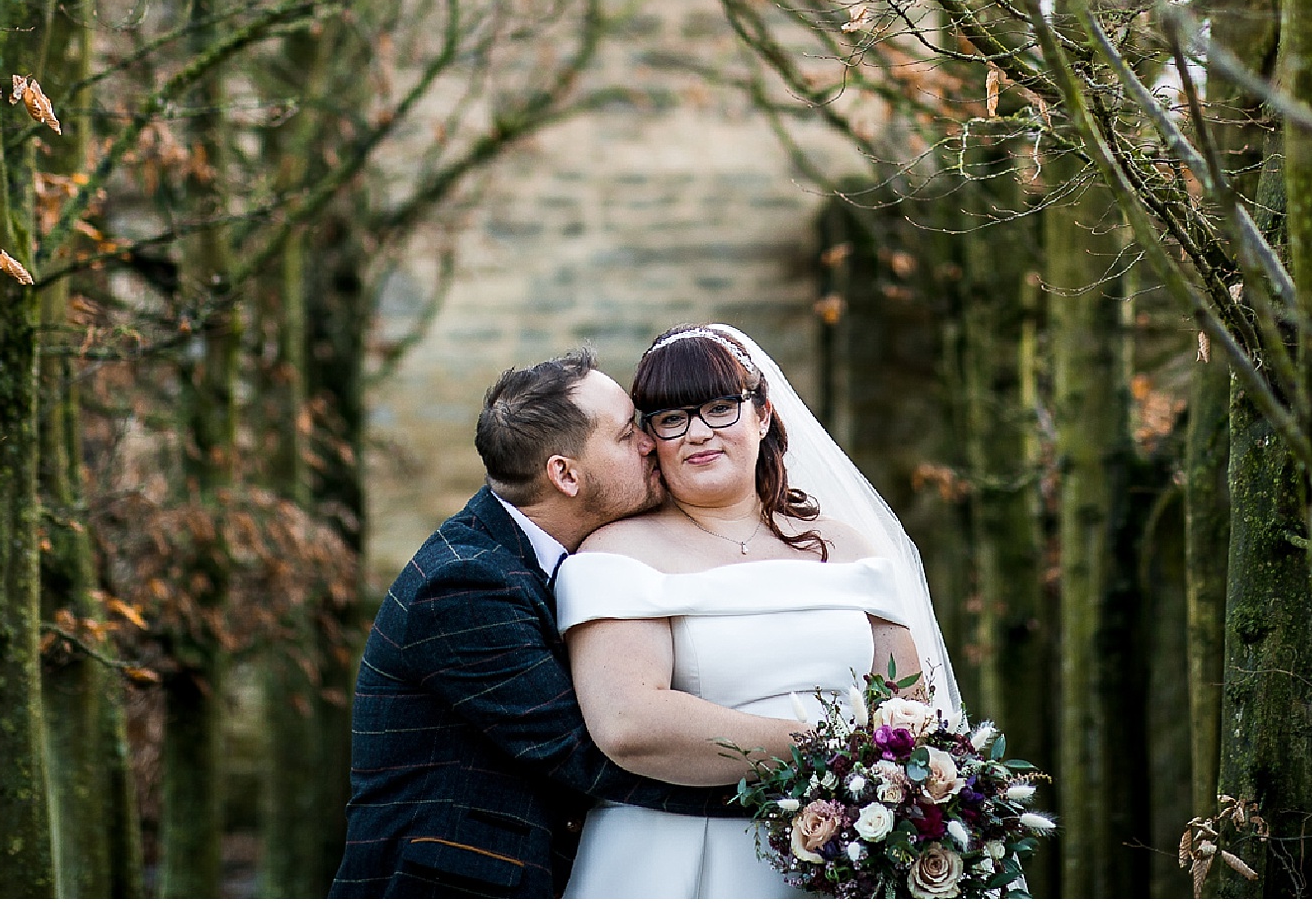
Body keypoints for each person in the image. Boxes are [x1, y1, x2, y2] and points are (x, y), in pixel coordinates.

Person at [332, 348, 806, 897]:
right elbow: (588, 754)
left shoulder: (539, 560)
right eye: (629, 434)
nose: (653, 443)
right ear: (566, 475)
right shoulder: (463, 586)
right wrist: (822, 793)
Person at [557, 323, 959, 898]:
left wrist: (881, 794)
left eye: (721, 407)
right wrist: (828, 751)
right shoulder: (618, 552)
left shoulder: (846, 546)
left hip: (853, 848)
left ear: (764, 414)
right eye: (672, 419)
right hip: (682, 849)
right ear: (651, 438)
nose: (698, 433)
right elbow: (630, 725)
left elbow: (912, 710)